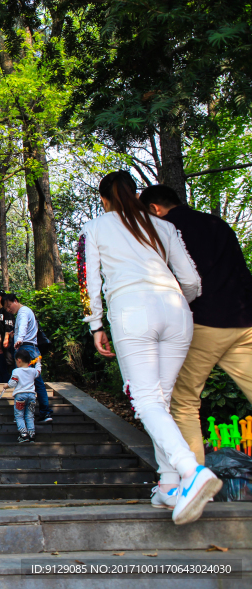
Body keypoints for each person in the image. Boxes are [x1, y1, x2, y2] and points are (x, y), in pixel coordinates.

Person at [82, 170, 218, 525]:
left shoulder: (96, 227)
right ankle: (169, 486)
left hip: (131, 311)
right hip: (176, 310)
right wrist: (178, 303)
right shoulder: (163, 226)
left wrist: (96, 324)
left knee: (145, 400)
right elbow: (191, 280)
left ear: (104, 199)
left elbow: (89, 282)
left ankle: (191, 471)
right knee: (162, 400)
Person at [140, 184, 252, 464]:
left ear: (155, 209)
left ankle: (195, 480)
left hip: (204, 322)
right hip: (245, 319)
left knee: (185, 401)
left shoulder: (165, 231)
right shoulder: (218, 223)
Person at [2, 293, 52, 422]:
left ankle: (40, 412)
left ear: (16, 301)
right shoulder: (26, 312)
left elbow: (23, 325)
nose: (9, 310)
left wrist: (19, 339)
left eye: (9, 306)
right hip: (31, 348)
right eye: (6, 308)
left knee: (26, 382)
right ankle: (43, 412)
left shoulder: (23, 312)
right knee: (35, 381)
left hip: (26, 349)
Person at [6, 349, 41, 443]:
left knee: (19, 415)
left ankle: (23, 434)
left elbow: (13, 383)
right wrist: (38, 362)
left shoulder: (16, 371)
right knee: (29, 416)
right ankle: (32, 434)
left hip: (20, 396)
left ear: (19, 360)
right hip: (32, 396)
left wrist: (6, 385)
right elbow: (38, 371)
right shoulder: (33, 371)